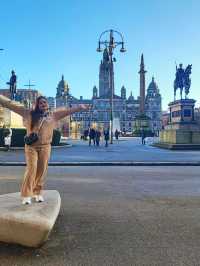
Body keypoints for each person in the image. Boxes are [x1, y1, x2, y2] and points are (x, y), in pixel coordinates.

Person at [0, 94, 88, 205]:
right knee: (32, 168)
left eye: (44, 102)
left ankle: (38, 192)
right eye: (40, 103)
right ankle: (26, 194)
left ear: (47, 105)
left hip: (45, 147)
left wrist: (79, 107)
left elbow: (67, 111)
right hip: (31, 147)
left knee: (42, 170)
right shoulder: (28, 113)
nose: (42, 104)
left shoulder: (53, 115)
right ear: (36, 105)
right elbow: (11, 104)